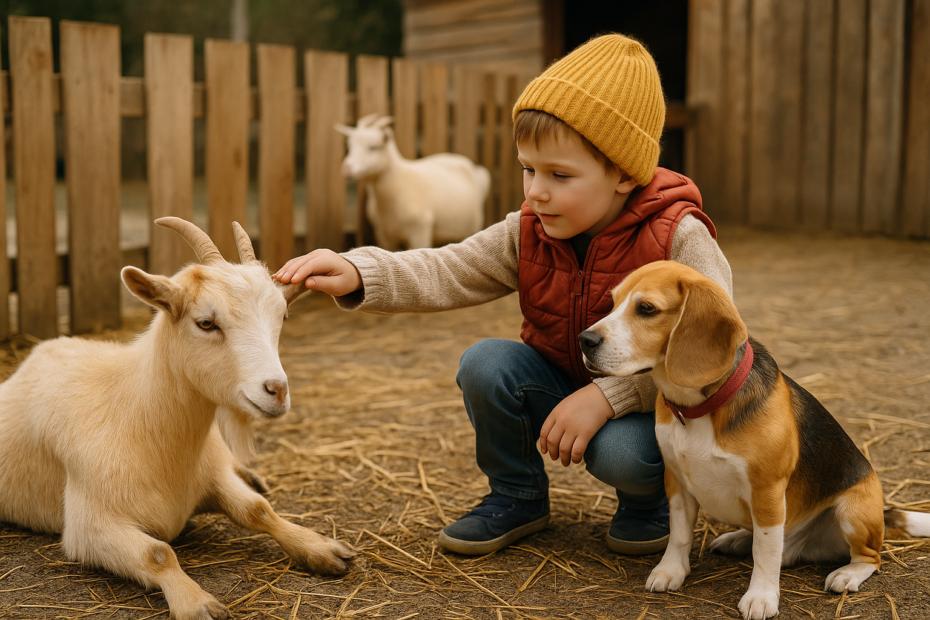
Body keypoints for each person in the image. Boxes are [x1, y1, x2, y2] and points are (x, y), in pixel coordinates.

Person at [273, 33, 732, 556]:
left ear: (625, 173)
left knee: (624, 455)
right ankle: (517, 495)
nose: (536, 190)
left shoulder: (678, 238)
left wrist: (611, 397)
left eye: (559, 175)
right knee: (486, 363)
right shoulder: (530, 228)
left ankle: (647, 502)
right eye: (528, 169)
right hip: (561, 377)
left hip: (650, 406)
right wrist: (361, 270)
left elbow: (718, 353)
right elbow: (451, 266)